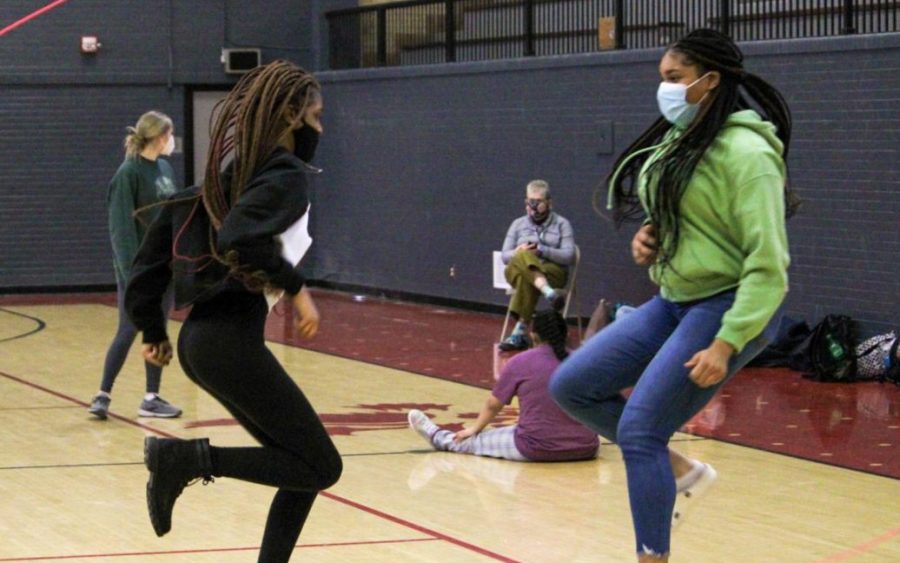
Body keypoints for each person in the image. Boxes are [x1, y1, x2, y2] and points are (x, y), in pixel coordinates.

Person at [549, 29, 796, 562]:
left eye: (673, 79)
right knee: (572, 384)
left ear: (709, 82)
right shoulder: (677, 143)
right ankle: (679, 471)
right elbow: (681, 219)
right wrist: (652, 240)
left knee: (640, 430)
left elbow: (770, 267)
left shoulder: (749, 155)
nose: (663, 89)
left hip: (728, 306)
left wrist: (728, 342)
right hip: (675, 299)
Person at [124, 61, 342, 562]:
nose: (321, 127)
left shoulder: (234, 176)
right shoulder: (283, 173)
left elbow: (150, 258)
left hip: (202, 344)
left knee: (297, 463)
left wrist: (152, 329)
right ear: (291, 115)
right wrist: (296, 287)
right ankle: (184, 458)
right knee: (321, 466)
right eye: (317, 115)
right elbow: (238, 237)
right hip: (228, 344)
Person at [409, 309, 599, 462]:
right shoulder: (583, 360)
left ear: (533, 335)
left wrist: (475, 429)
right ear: (566, 333)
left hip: (536, 447)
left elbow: (494, 404)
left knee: (475, 442)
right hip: (586, 447)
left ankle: (438, 436)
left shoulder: (520, 361)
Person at [88, 111, 182, 420]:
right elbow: (121, 230)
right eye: (169, 136)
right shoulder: (127, 174)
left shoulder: (166, 168)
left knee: (158, 332)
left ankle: (151, 397)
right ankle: (103, 393)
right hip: (138, 271)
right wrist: (133, 275)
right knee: (128, 329)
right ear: (158, 137)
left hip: (164, 267)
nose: (172, 142)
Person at [499, 179, 576, 351]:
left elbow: (569, 255)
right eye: (529, 202)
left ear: (549, 203)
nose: (533, 207)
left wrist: (542, 251)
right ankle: (548, 292)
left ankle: (519, 334)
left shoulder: (562, 224)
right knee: (522, 256)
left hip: (552, 271)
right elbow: (505, 256)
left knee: (526, 279)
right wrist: (519, 252)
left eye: (538, 202)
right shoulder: (517, 224)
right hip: (517, 269)